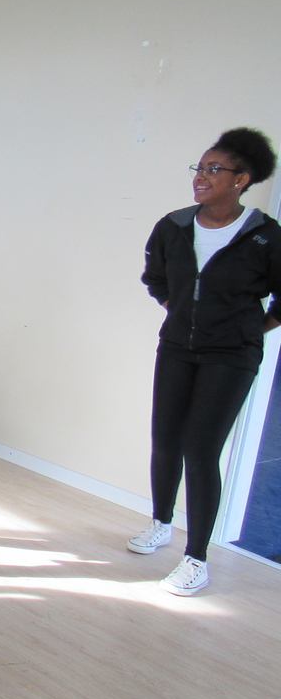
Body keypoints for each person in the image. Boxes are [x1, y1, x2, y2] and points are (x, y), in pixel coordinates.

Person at [133, 128, 281, 595]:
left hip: (232, 356)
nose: (201, 176)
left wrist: (247, 329)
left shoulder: (265, 235)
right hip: (177, 346)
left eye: (214, 169)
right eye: (199, 167)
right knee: (165, 440)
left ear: (241, 179)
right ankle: (160, 523)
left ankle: (196, 559)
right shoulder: (173, 226)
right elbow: (156, 278)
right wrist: (181, 313)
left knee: (200, 450)